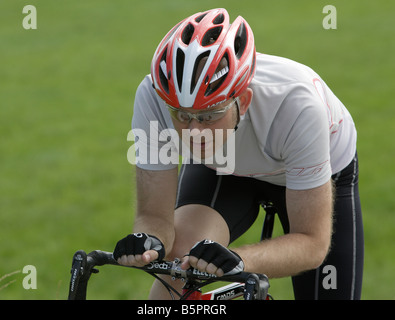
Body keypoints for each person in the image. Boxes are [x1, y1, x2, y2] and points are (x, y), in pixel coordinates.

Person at [113, 8, 364, 300]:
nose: (194, 132)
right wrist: (150, 243)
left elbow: (311, 243)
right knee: (181, 267)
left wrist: (238, 260)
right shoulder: (153, 97)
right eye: (180, 115)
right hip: (224, 164)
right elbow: (153, 216)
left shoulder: (297, 106)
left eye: (208, 115)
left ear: (242, 101)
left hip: (315, 168)